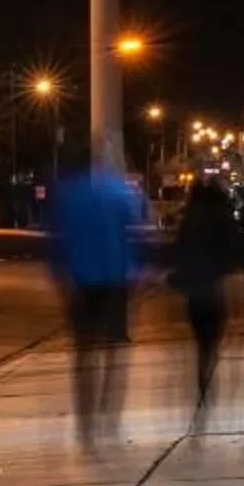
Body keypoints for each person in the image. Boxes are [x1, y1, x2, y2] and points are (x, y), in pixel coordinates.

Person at [46, 147, 141, 447]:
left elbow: (56, 242)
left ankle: (85, 422)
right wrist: (136, 271)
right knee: (115, 351)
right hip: (115, 279)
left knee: (84, 353)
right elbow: (133, 234)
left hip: (80, 281)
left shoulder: (68, 195)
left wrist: (60, 276)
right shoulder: (117, 191)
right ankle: (108, 417)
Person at [167, 171, 241, 414]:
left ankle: (203, 386)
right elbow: (232, 255)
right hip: (215, 290)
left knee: (201, 344)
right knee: (212, 342)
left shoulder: (189, 218)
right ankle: (208, 381)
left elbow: (178, 252)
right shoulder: (222, 216)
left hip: (195, 292)